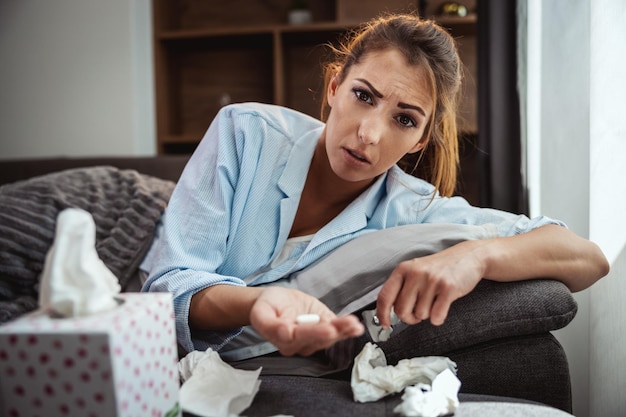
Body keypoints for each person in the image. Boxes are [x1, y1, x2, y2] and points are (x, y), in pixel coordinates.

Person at [140, 14, 609, 369]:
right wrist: (257, 303)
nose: (369, 134)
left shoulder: (413, 207)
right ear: (333, 86)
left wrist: (475, 257)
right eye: (363, 96)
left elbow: (588, 258)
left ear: (420, 140)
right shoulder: (246, 132)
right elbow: (167, 284)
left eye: (404, 119)